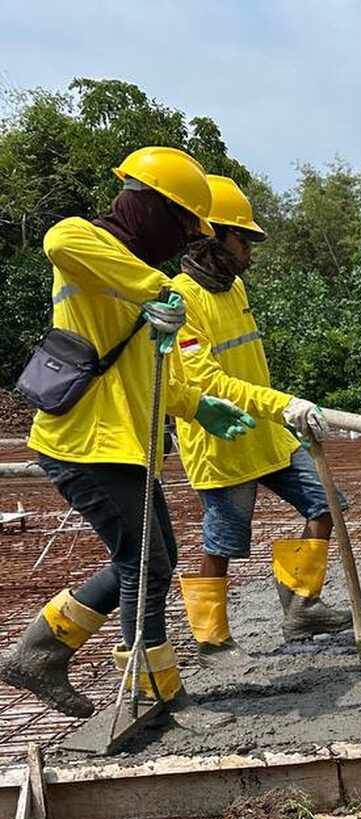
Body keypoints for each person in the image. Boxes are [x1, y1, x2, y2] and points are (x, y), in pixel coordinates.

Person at [0, 147, 254, 716]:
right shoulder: (86, 243)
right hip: (85, 442)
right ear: (151, 207)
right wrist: (156, 289)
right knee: (146, 564)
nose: (185, 241)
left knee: (149, 559)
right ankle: (153, 691)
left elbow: (152, 375)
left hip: (123, 446)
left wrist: (198, 406)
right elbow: (58, 241)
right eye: (184, 225)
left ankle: (40, 651)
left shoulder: (142, 283)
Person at [169, 175, 351, 656]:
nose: (250, 251)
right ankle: (211, 639)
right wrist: (282, 404)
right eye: (243, 239)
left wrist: (281, 412)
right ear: (212, 236)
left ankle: (301, 606)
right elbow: (206, 382)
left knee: (326, 503)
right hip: (221, 442)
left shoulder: (235, 289)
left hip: (268, 434)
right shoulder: (181, 298)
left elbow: (248, 366)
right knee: (223, 542)